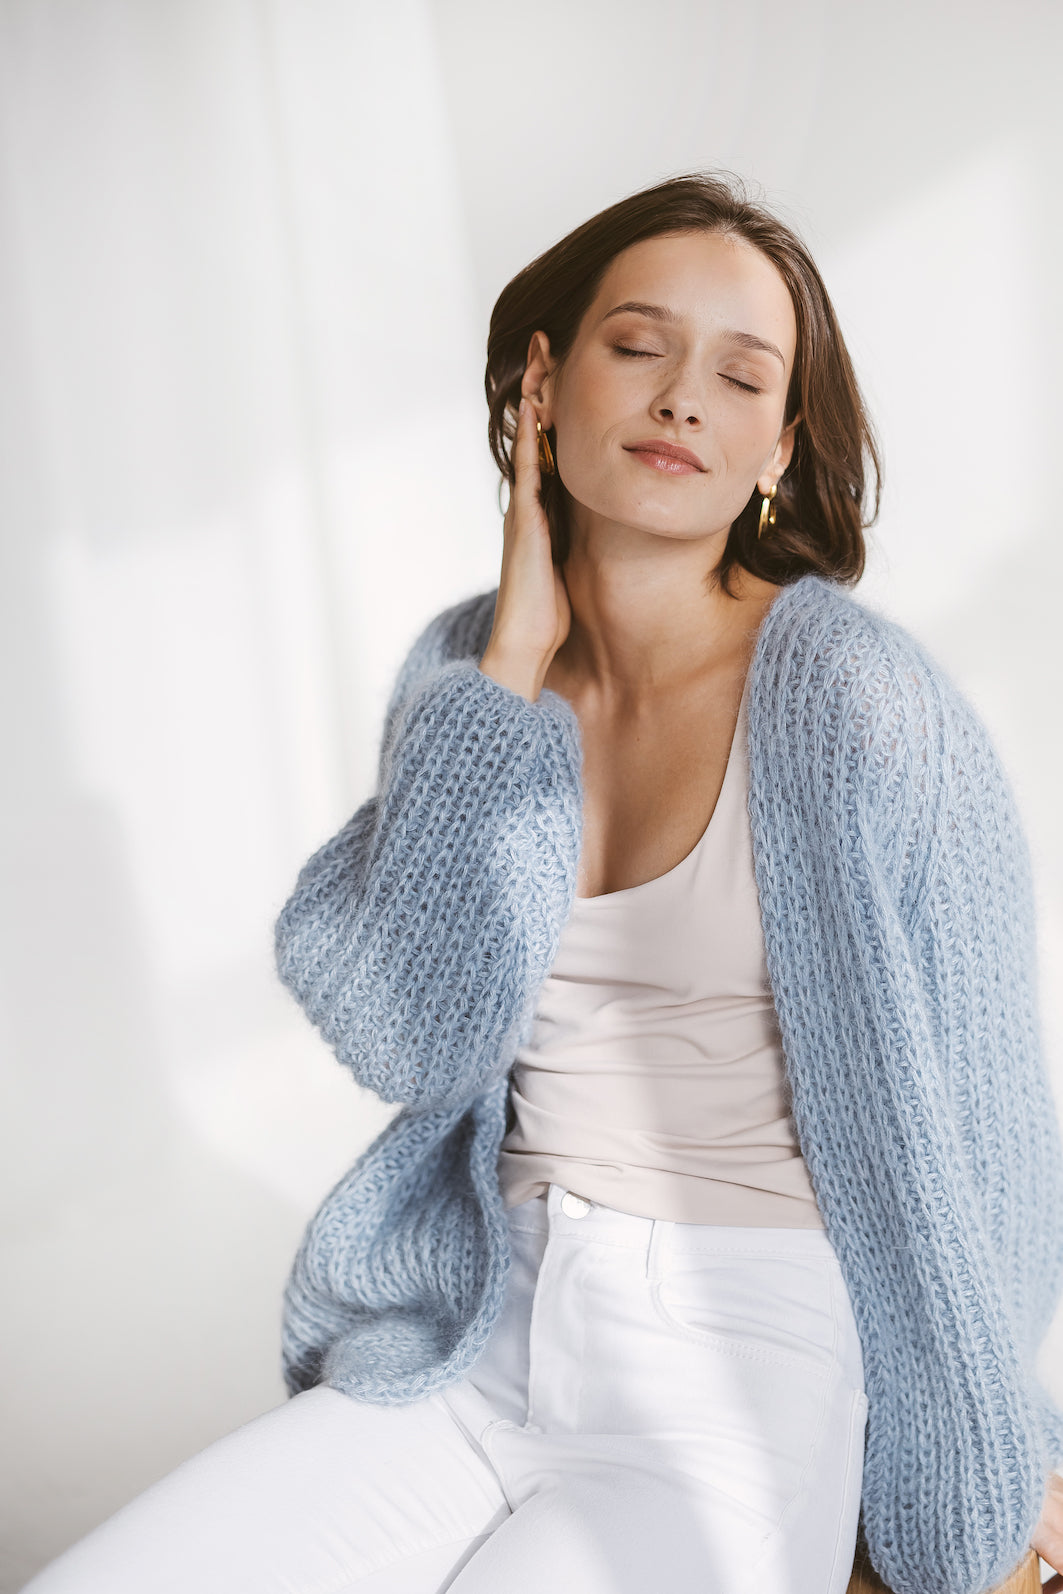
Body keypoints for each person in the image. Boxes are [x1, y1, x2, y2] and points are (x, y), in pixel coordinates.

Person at [22, 172, 1063, 1594]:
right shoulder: (466, 674)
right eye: (638, 344)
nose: (683, 396)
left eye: (740, 374)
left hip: (741, 1370)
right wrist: (510, 666)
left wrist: (997, 1457)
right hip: (477, 1336)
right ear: (544, 381)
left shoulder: (864, 702)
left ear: (781, 444)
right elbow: (405, 1034)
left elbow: (991, 1125)